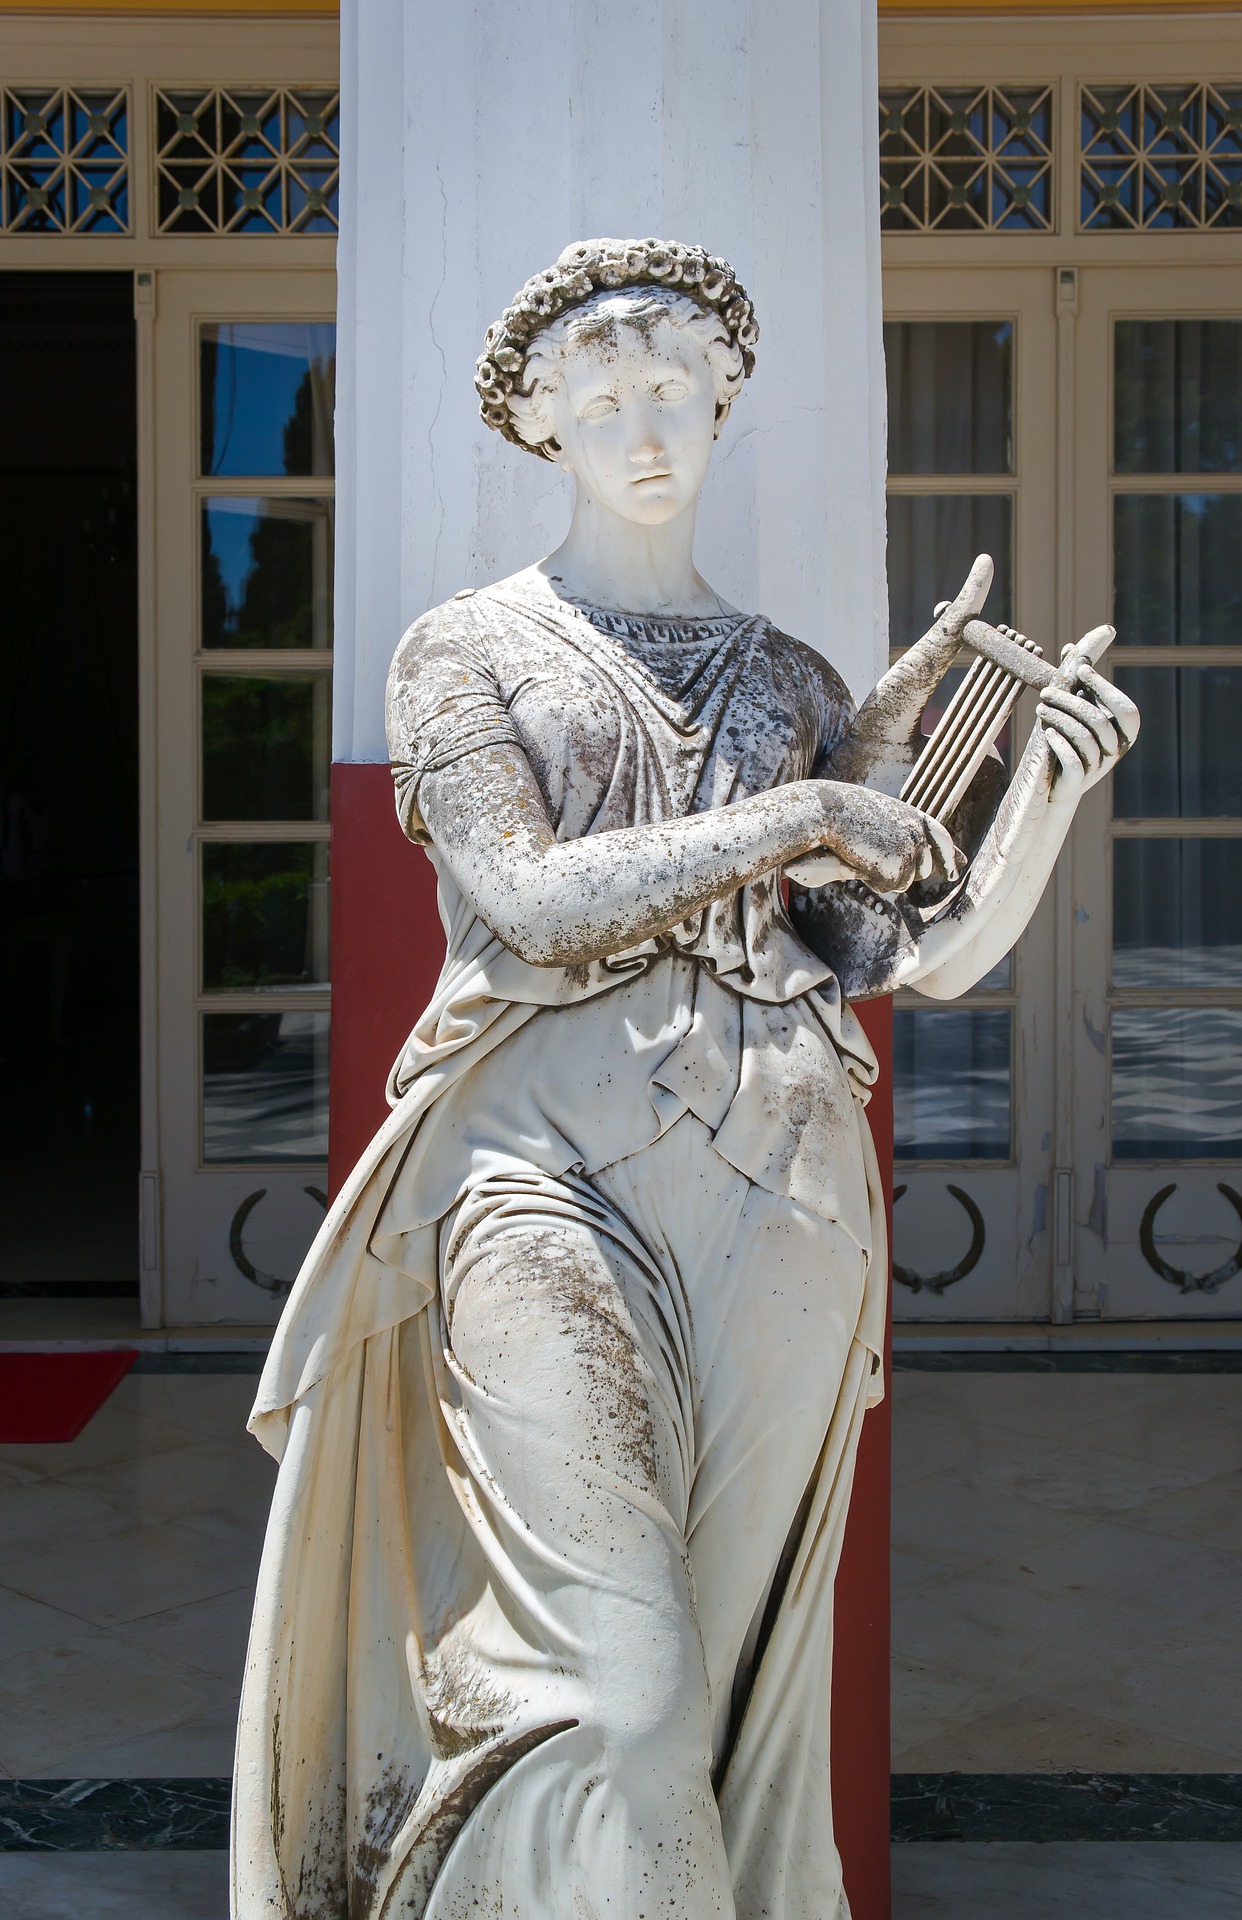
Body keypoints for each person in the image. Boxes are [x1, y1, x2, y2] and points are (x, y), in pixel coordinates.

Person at [232, 239, 1137, 1920]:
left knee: (715, 1706)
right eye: (602, 398)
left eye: (672, 393)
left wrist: (1037, 806)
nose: (643, 426)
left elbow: (890, 961)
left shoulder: (791, 679)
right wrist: (803, 808)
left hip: (784, 1195)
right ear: (542, 426)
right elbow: (526, 903)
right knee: (621, 1700)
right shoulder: (463, 649)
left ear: (722, 406)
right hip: (537, 1176)